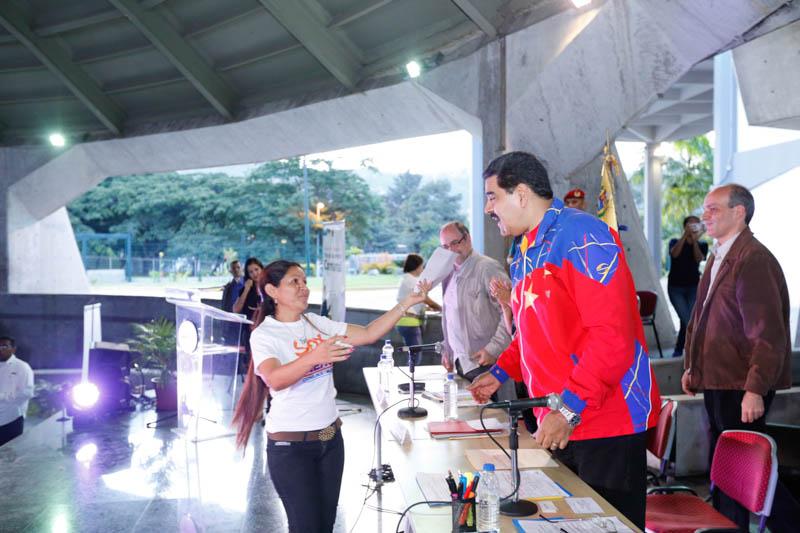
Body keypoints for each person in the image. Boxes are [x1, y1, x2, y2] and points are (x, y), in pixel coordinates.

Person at [469, 151, 659, 530]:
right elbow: (532, 331)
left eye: (492, 197)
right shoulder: (525, 249)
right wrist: (500, 372)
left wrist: (569, 409)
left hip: (604, 420)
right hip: (560, 418)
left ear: (521, 194)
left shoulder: (581, 235)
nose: (488, 208)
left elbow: (612, 336)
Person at [232, 260, 431, 533]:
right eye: (294, 282)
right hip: (291, 446)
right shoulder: (265, 334)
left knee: (325, 525)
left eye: (304, 281)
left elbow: (368, 333)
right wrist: (314, 356)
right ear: (272, 291)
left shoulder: (315, 322)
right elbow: (274, 379)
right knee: (306, 527)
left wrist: (407, 302)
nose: (303, 288)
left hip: (329, 438)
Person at [682, 184, 798, 531]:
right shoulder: (720, 255)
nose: (705, 216)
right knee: (725, 472)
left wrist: (755, 389)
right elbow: (701, 318)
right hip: (720, 381)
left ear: (739, 212)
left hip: (740, 385)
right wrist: (692, 367)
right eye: (705, 208)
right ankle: (726, 527)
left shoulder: (753, 259)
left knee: (745, 475)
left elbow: (767, 334)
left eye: (713, 209)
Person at [439, 221, 515, 401]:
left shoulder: (487, 267)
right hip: (461, 365)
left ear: (467, 239)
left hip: (487, 364)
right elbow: (448, 315)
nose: (451, 250)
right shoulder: (447, 273)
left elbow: (510, 311)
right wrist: (447, 349)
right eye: (445, 247)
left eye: (455, 243)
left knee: (494, 417)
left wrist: (493, 349)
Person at [667, 216, 708, 357]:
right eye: (690, 225)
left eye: (696, 225)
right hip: (675, 288)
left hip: (693, 287)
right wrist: (685, 236)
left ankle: (680, 348)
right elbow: (674, 254)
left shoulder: (702, 244)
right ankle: (696, 348)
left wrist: (694, 240)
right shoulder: (674, 242)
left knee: (688, 319)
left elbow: (699, 258)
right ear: (685, 227)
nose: (693, 227)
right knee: (687, 318)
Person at [395, 253, 441, 347]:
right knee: (415, 353)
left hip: (405, 321)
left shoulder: (406, 278)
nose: (423, 269)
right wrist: (440, 308)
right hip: (409, 322)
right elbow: (425, 298)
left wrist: (427, 308)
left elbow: (412, 300)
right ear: (417, 266)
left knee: (412, 351)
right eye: (422, 266)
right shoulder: (411, 280)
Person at [0, 336, 34, 447]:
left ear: (13, 349)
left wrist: (3, 397)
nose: (1, 349)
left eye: (4, 346)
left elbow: (27, 393)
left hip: (11, 420)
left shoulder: (22, 367)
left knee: (10, 453)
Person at [233, 258, 264, 374]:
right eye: (251, 272)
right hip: (251, 332)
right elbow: (236, 309)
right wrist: (246, 289)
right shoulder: (246, 290)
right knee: (253, 365)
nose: (255, 274)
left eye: (256, 269)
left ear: (262, 269)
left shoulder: (270, 287)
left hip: (268, 330)